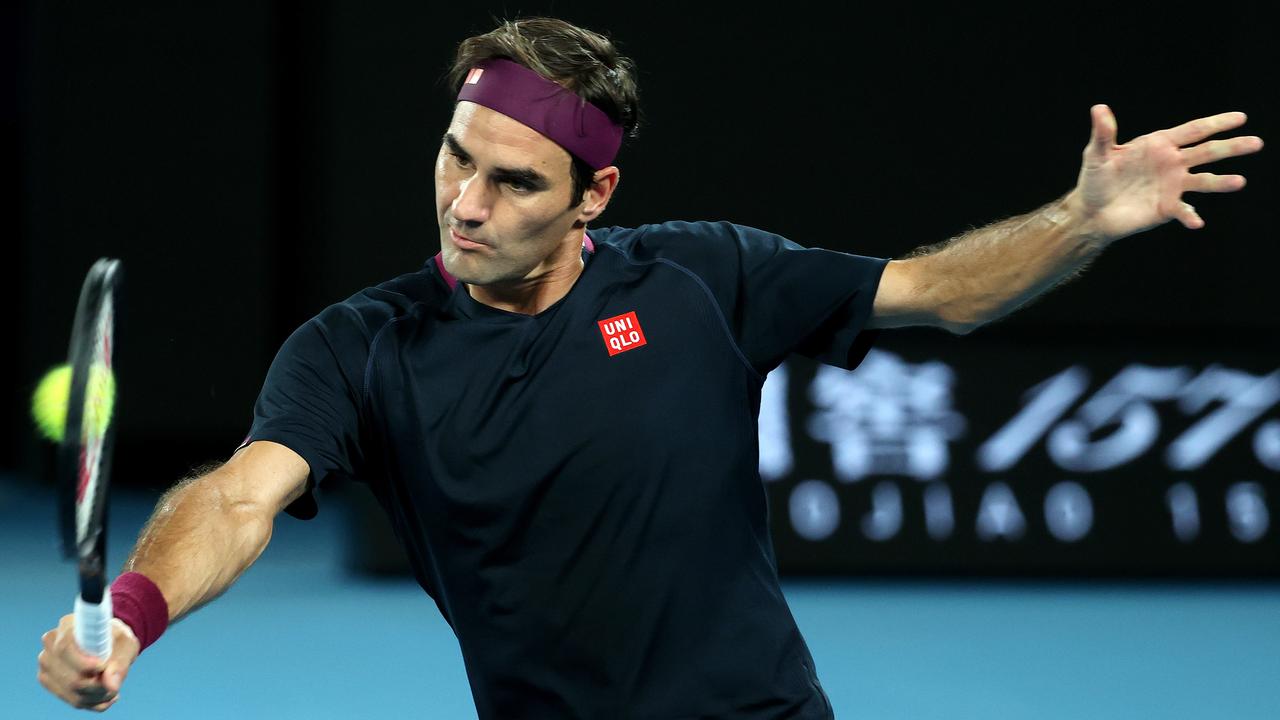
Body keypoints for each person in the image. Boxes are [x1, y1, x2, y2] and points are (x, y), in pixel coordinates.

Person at [37, 16, 1262, 718]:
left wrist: (1080, 221)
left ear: (593, 196)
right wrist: (133, 618)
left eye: (513, 181)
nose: (464, 205)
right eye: (455, 158)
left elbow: (934, 291)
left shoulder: (704, 277)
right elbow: (239, 496)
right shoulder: (361, 347)